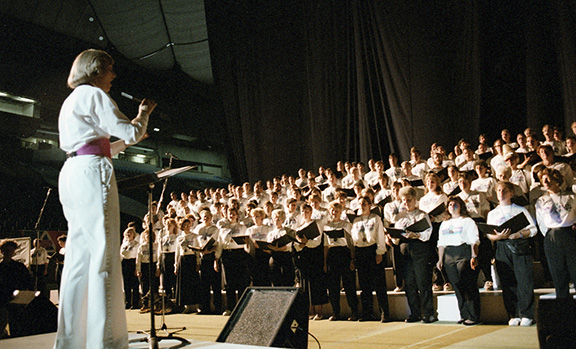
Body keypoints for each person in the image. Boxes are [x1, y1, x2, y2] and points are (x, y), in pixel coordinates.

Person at [55, 49, 156, 349]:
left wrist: (123, 141)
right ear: (96, 70)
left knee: (78, 258)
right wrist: (144, 113)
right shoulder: (94, 94)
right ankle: (107, 342)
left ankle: (72, 341)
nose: (113, 75)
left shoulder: (70, 101)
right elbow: (132, 131)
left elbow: (97, 145)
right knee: (104, 253)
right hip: (92, 172)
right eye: (109, 69)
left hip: (72, 171)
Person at [487, 181, 537, 327]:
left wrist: (519, 235)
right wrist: (498, 237)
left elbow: (533, 230)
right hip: (501, 247)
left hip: (519, 246)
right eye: (499, 190)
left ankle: (527, 314)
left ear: (511, 193)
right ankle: (514, 314)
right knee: (508, 282)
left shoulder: (520, 210)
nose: (501, 192)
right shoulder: (492, 213)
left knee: (524, 280)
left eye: (504, 190)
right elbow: (490, 235)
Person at [391, 187, 435, 323]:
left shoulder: (422, 215)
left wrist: (416, 234)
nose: (406, 203)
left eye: (409, 200)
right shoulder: (399, 217)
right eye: (404, 201)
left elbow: (427, 234)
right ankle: (414, 313)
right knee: (409, 284)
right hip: (405, 252)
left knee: (423, 282)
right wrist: (391, 237)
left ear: (415, 200)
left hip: (419, 249)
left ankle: (429, 314)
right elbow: (396, 237)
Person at [437, 196, 481, 325]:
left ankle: (474, 316)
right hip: (449, 255)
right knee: (457, 286)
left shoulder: (467, 221)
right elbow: (441, 243)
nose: (452, 206)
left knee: (467, 284)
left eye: (455, 204)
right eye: (450, 204)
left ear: (461, 206)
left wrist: (474, 256)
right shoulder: (444, 223)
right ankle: (464, 314)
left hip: (464, 252)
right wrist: (440, 259)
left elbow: (474, 240)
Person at [535, 168, 576, 299]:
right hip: (552, 235)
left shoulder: (570, 196)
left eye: (548, 178)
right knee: (558, 273)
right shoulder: (541, 201)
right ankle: (563, 308)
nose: (545, 181)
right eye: (543, 179)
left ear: (557, 180)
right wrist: (549, 235)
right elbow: (541, 222)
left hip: (569, 234)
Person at [350, 197, 390, 322]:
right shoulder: (356, 220)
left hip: (373, 251)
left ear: (370, 205)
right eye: (360, 204)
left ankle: (384, 313)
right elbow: (352, 239)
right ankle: (367, 313)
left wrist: (380, 252)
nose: (362, 206)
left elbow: (380, 236)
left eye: (364, 204)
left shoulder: (375, 218)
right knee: (364, 285)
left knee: (379, 284)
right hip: (360, 252)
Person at [323, 201, 358, 321]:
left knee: (349, 284)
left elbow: (351, 243)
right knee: (333, 286)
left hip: (345, 253)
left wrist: (352, 259)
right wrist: (325, 262)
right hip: (332, 254)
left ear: (341, 212)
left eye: (337, 210)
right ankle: (335, 313)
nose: (334, 212)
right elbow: (326, 246)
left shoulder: (346, 224)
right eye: (332, 210)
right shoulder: (327, 226)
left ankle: (354, 312)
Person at [120, 226, 139, 309]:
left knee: (134, 284)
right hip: (125, 262)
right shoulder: (124, 244)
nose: (128, 234)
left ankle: (135, 303)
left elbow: (138, 256)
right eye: (127, 232)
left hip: (132, 262)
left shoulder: (136, 244)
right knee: (126, 284)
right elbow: (120, 254)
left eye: (130, 232)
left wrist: (137, 268)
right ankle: (127, 302)